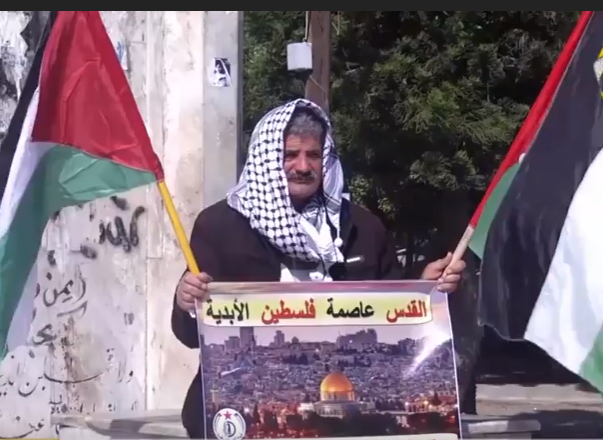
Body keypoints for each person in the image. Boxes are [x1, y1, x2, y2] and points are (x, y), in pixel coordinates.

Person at [171, 99, 466, 438]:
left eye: (313, 155)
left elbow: (392, 306)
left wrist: (424, 289)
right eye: (290, 154)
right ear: (267, 158)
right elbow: (190, 336)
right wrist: (186, 302)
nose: (302, 166)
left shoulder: (361, 227)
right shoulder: (220, 227)